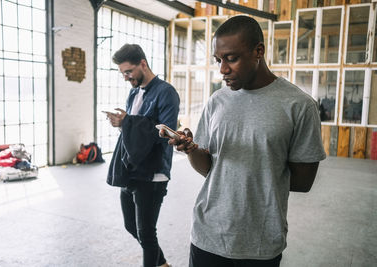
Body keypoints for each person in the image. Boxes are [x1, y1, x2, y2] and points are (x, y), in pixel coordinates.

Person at [163, 16, 326, 267]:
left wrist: (258, 165)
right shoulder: (217, 101)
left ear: (258, 51)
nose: (223, 69)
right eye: (219, 60)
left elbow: (303, 182)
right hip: (207, 235)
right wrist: (191, 149)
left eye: (232, 58)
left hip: (260, 243)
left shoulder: (299, 106)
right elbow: (208, 168)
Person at [106, 44, 179, 267]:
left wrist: (128, 122)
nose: (126, 78)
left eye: (128, 72)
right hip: (131, 168)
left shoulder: (166, 92)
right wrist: (121, 125)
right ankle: (163, 263)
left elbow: (165, 132)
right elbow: (134, 133)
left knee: (146, 233)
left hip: (153, 172)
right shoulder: (133, 92)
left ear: (143, 64)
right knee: (131, 225)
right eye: (123, 74)